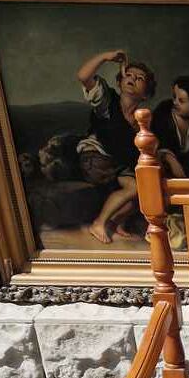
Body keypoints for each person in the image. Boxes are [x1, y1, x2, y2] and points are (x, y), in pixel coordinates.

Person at [76, 49, 156, 243]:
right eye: (128, 75)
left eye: (139, 78)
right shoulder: (107, 101)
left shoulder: (142, 120)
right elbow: (83, 76)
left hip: (116, 163)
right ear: (119, 82)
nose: (132, 78)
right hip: (95, 158)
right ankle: (99, 223)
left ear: (146, 94)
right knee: (133, 185)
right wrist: (105, 57)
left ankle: (114, 223)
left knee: (142, 188)